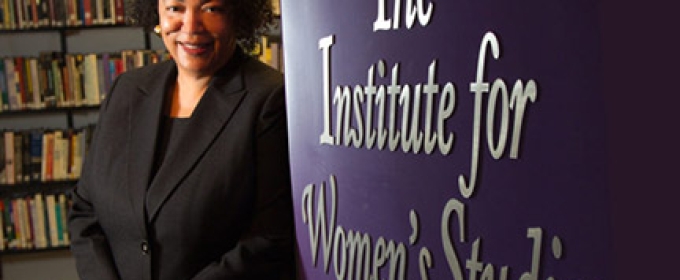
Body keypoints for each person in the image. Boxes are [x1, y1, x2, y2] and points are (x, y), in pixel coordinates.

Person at [67, 0, 295, 279]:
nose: (191, 27)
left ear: (237, 15)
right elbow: (85, 210)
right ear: (156, 14)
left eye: (211, 9)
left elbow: (270, 239)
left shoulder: (269, 99)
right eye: (175, 8)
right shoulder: (126, 90)